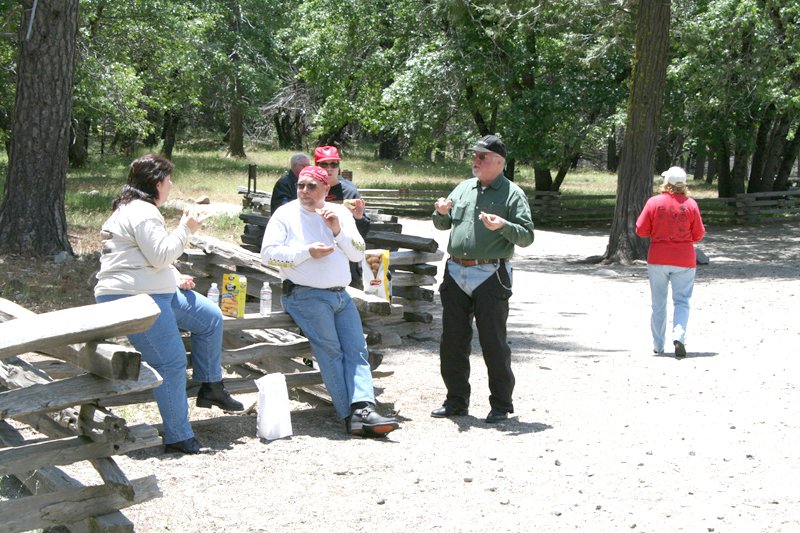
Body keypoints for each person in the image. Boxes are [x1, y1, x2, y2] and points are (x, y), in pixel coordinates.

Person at [94, 154, 243, 455]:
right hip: (134, 298)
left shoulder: (131, 209)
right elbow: (160, 255)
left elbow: (140, 256)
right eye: (169, 180)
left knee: (210, 316)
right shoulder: (144, 211)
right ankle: (178, 435)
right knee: (170, 362)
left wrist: (173, 275)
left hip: (156, 290)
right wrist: (186, 228)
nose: (171, 185)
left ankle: (211, 386)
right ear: (157, 183)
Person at [260, 165, 399, 437]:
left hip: (339, 294)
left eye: (312, 186)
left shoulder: (341, 214)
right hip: (304, 293)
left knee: (357, 349)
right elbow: (268, 255)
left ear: (326, 189)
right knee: (331, 351)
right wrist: (305, 252)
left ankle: (364, 409)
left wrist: (337, 230)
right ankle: (349, 416)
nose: (304, 191)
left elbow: (358, 253)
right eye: (301, 185)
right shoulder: (285, 214)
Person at [431, 135, 534, 424]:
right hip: (455, 271)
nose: (475, 160)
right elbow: (443, 223)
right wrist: (440, 213)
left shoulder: (513, 194)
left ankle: (501, 405)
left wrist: (504, 226)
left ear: (499, 162)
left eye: (482, 157)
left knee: (493, 342)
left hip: (491, 274)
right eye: (474, 155)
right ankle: (456, 402)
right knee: (452, 341)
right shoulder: (464, 188)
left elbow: (526, 236)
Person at [636, 166, 706, 358]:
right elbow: (698, 235)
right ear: (684, 184)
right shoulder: (691, 204)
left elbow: (641, 230)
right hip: (684, 259)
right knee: (682, 301)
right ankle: (679, 338)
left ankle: (658, 346)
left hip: (658, 258)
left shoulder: (654, 202)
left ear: (666, 182)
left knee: (658, 302)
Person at [314, 145, 370, 289]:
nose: (329, 168)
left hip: (346, 260)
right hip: (315, 258)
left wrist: (358, 218)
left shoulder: (350, 192)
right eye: (324, 164)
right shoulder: (309, 190)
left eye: (334, 164)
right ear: (316, 166)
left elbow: (361, 233)